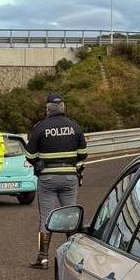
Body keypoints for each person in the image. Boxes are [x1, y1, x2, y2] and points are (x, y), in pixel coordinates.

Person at [25, 93, 88, 269]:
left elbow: (30, 155)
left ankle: (43, 258)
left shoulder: (40, 128)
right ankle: (74, 259)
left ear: (47, 109)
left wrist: (41, 161)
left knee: (46, 217)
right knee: (70, 216)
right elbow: (83, 154)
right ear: (63, 108)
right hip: (69, 177)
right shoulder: (74, 126)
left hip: (47, 178)